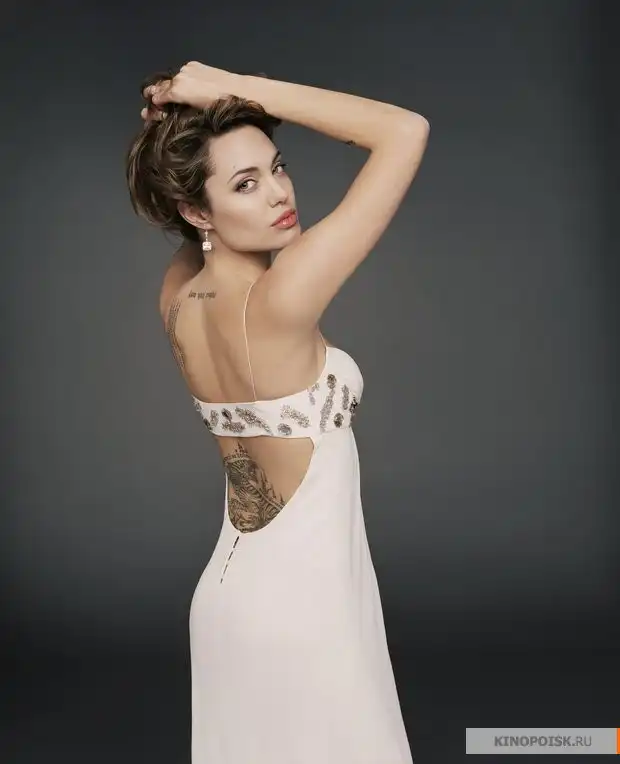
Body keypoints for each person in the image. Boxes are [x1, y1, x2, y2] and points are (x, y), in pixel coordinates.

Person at [125, 61, 429, 763]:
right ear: (198, 212)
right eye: (245, 184)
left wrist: (185, 131)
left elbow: (196, 228)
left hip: (225, 607)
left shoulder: (177, 297)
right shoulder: (285, 294)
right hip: (306, 613)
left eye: (277, 167)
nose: (279, 193)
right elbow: (404, 131)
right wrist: (229, 86)